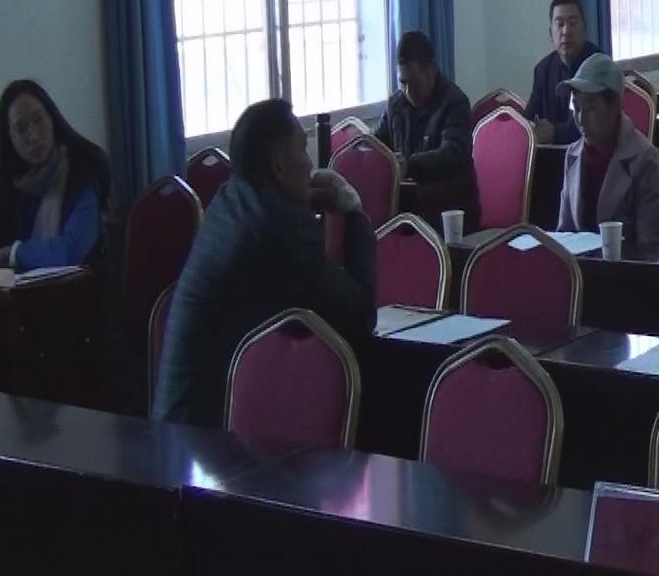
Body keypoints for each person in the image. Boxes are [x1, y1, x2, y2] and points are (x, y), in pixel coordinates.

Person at [152, 99, 375, 429]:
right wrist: (354, 213)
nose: (310, 164)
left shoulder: (229, 201)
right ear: (278, 166)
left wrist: (306, 201)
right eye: (302, 150)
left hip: (177, 423)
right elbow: (360, 316)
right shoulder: (284, 230)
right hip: (208, 438)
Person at [0, 80, 110, 276]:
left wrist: (11, 254)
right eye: (21, 128)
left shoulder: (82, 174)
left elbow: (71, 250)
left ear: (52, 118)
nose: (33, 136)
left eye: (38, 120)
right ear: (9, 138)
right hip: (12, 295)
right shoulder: (1, 187)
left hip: (78, 292)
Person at [556, 53, 659, 245]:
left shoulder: (644, 159)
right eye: (577, 108)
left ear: (614, 105)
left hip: (626, 263)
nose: (581, 120)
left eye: (591, 108)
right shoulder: (573, 155)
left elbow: (650, 245)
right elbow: (564, 233)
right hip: (578, 263)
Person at [377, 30, 479, 223]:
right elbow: (378, 145)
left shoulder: (455, 102)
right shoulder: (395, 105)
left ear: (431, 69)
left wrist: (409, 165)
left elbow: (453, 154)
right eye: (403, 83)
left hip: (449, 208)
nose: (408, 92)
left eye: (414, 83)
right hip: (407, 207)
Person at [525, 0, 601, 146]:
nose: (566, 31)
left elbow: (595, 123)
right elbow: (528, 117)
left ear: (584, 29)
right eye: (560, 24)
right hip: (549, 154)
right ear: (550, 33)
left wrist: (554, 131)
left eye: (572, 23)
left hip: (589, 152)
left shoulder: (597, 65)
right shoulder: (543, 70)